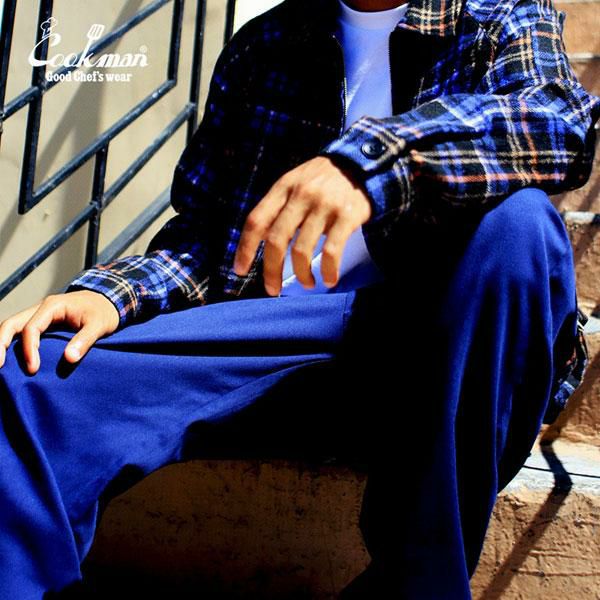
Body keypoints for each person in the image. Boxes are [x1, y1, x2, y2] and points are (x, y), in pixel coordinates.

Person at [0, 0, 598, 597]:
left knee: (519, 226)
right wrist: (115, 295)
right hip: (275, 341)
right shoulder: (265, 43)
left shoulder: (498, 16)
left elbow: (558, 123)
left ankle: (416, 586)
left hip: (436, 355)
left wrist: (375, 163)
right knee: (35, 373)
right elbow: (207, 240)